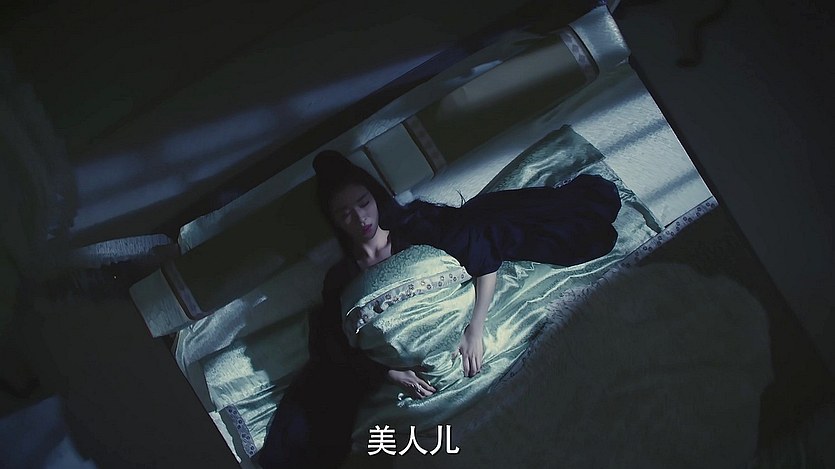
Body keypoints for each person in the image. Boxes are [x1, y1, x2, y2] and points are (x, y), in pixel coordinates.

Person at [259, 149, 621, 468]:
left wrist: (475, 329)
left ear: (375, 197)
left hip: (462, 336)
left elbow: (483, 257)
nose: (360, 218)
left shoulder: (417, 228)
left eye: (363, 203)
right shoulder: (341, 278)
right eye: (345, 214)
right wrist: (390, 374)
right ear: (335, 221)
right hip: (408, 374)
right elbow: (339, 346)